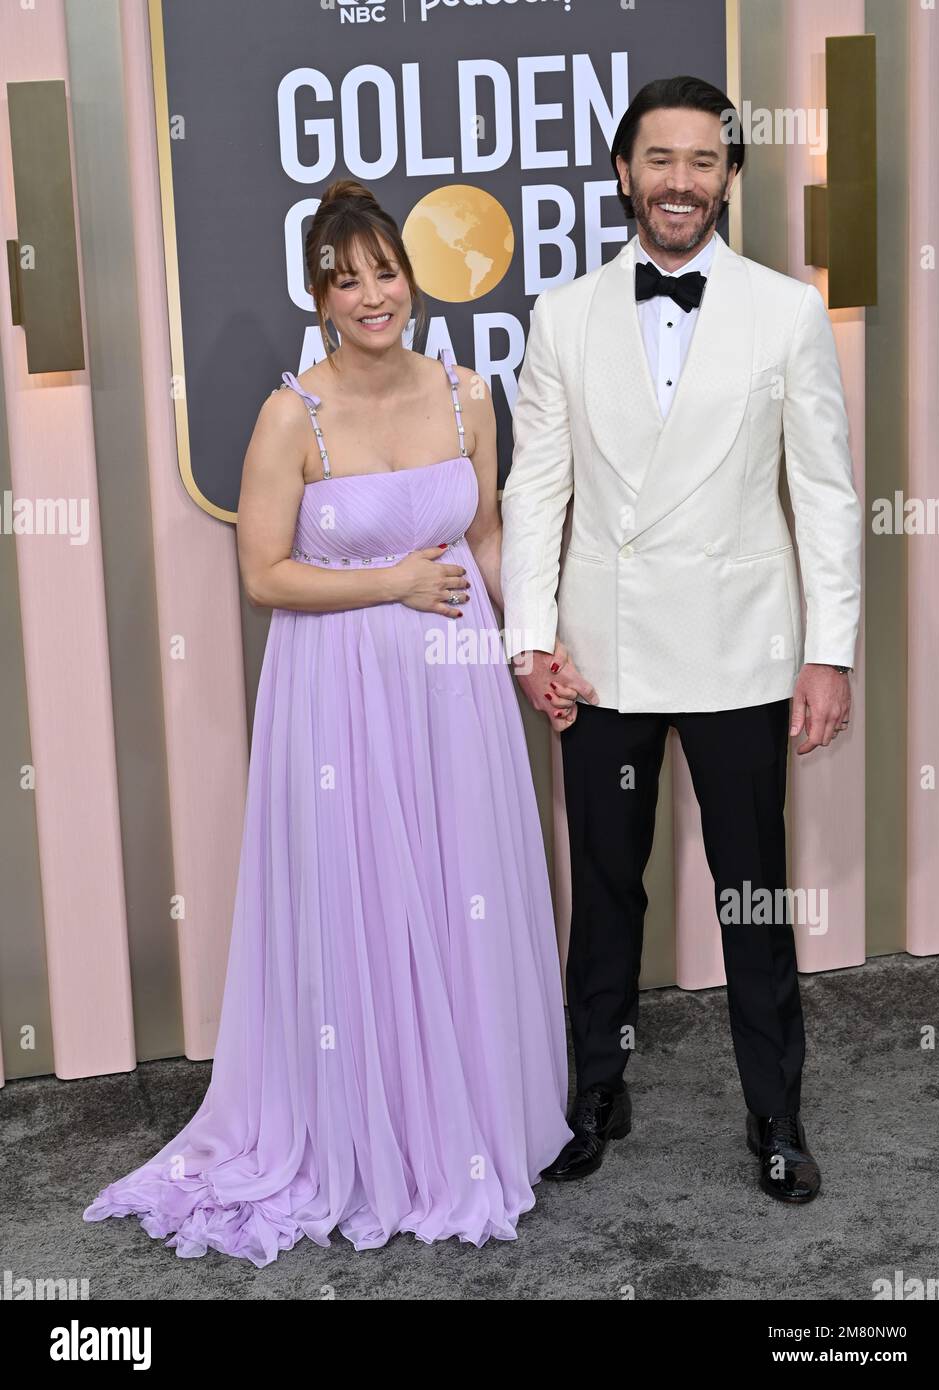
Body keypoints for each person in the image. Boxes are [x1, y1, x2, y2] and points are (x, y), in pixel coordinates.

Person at [83, 180, 572, 1266]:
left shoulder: (468, 395)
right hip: (342, 702)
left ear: (413, 276)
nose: (372, 295)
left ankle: (471, 1125)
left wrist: (533, 644)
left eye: (385, 271)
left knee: (462, 893)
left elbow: (486, 537)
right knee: (364, 898)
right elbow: (264, 574)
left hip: (458, 695)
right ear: (318, 296)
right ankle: (366, 1131)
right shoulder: (288, 413)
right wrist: (391, 583)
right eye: (345, 280)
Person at [500, 76, 862, 1204]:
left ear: (729, 177)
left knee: (752, 896)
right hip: (602, 653)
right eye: (659, 160)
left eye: (703, 162)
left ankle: (778, 1115)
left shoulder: (784, 310)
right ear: (623, 173)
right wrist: (528, 637)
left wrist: (828, 649)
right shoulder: (562, 317)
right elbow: (537, 490)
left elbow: (827, 492)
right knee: (607, 888)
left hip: (744, 650)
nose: (680, 183)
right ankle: (594, 1094)